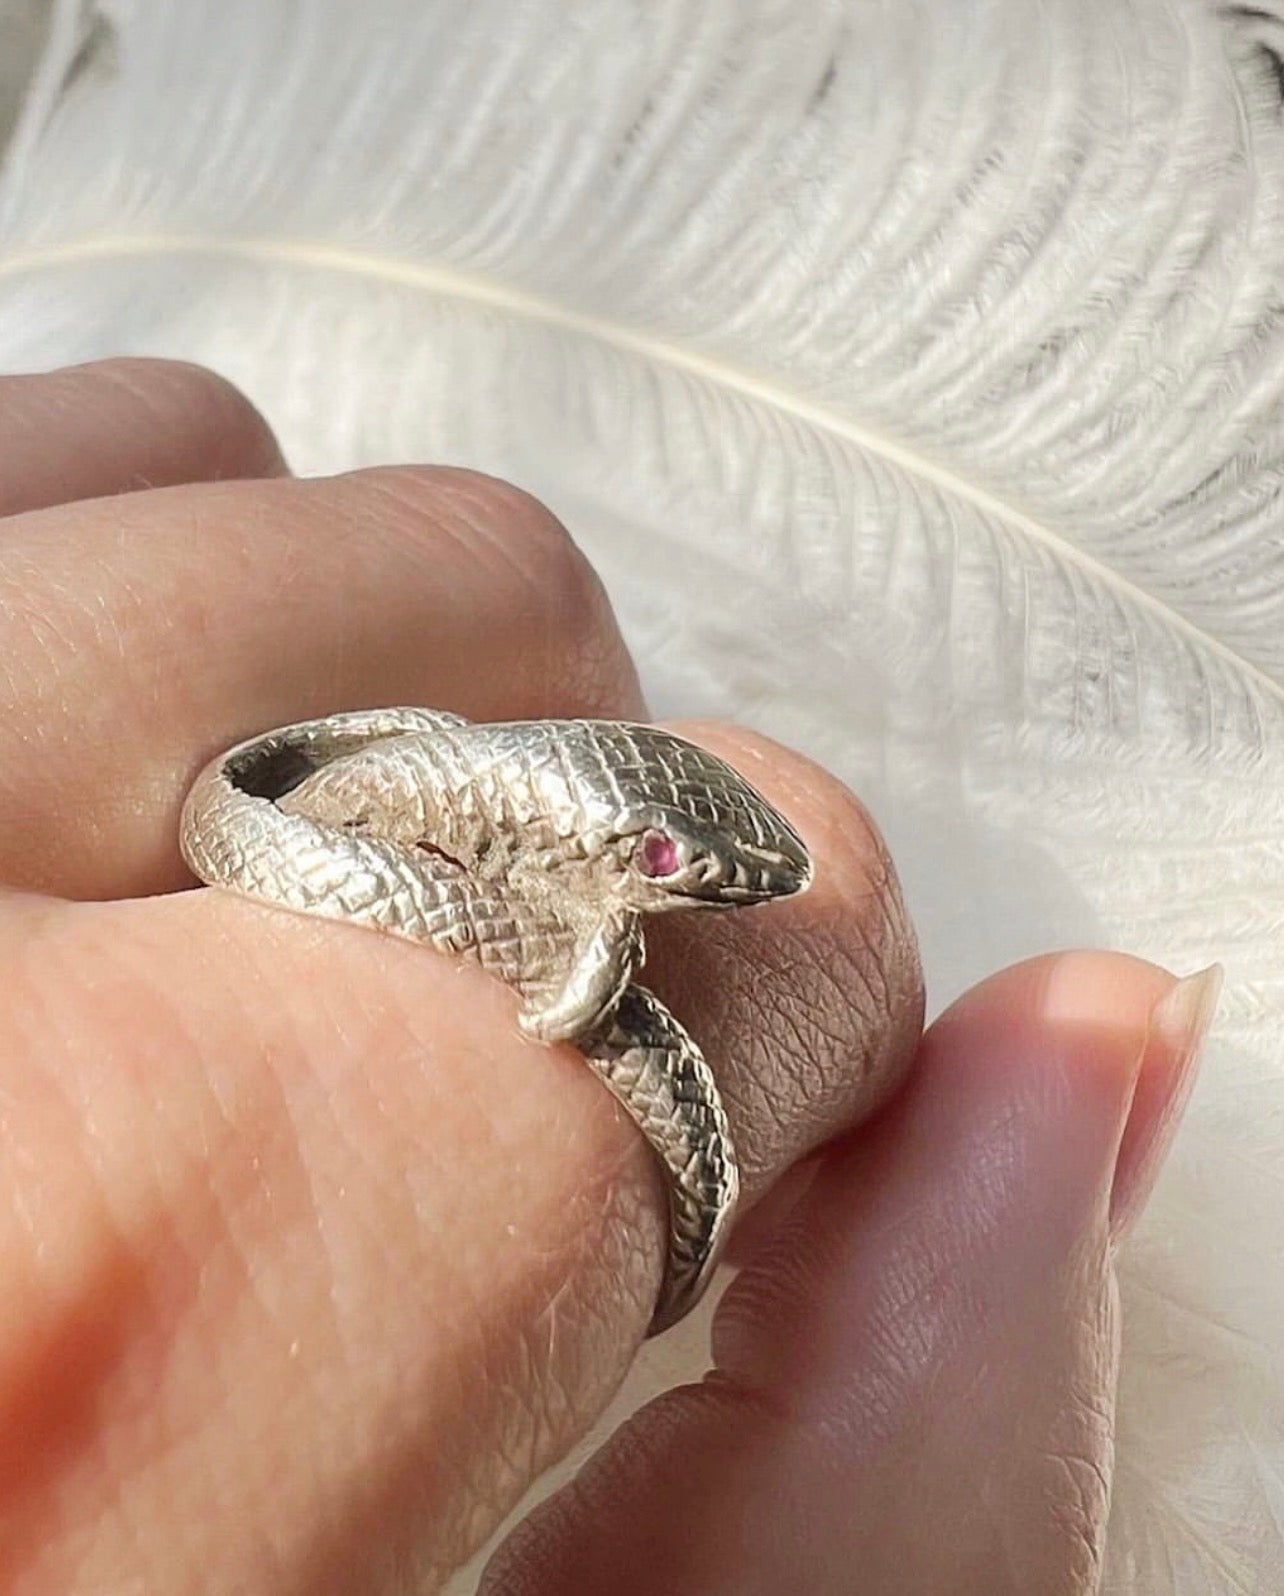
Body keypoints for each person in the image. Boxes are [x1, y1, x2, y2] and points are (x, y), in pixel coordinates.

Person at [0, 359, 1218, 1595]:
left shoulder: (559, 814)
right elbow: (579, 988)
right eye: (666, 866)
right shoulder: (560, 902)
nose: (713, 891)